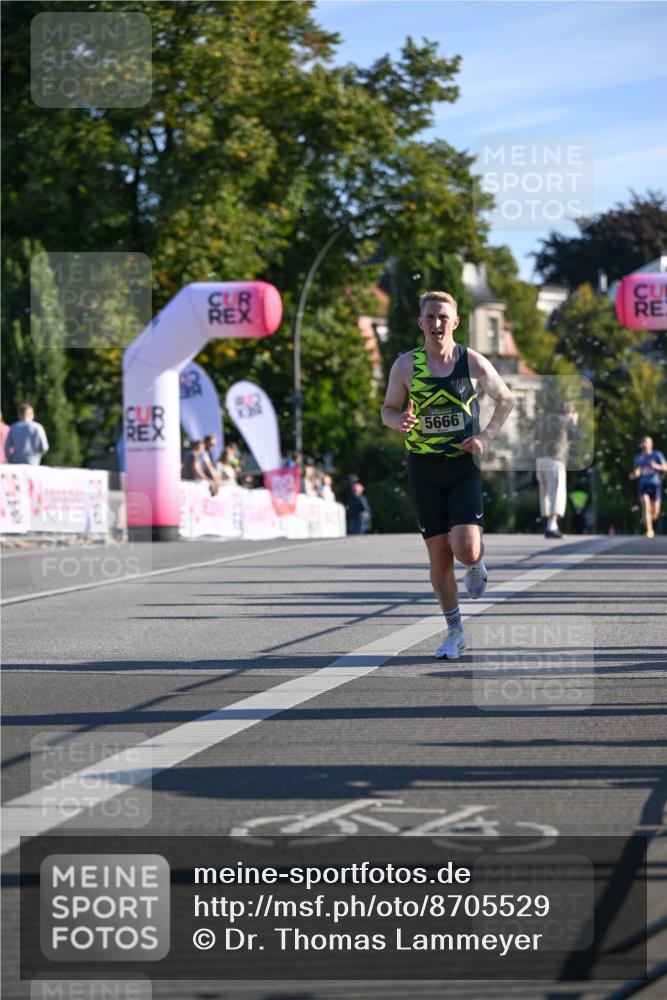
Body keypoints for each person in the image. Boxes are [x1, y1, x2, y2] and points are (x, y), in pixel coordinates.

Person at [381, 290, 514, 659]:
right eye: (430, 318)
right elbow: (387, 410)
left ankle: (476, 562)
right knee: (439, 557)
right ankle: (455, 631)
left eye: (444, 317)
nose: (437, 324)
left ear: (455, 322)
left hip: (461, 465)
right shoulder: (406, 365)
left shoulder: (470, 361)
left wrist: (486, 436)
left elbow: (506, 399)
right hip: (423, 468)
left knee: (466, 549)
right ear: (421, 323)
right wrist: (398, 420)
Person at [535, 399, 579, 538]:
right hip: (555, 460)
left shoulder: (545, 420)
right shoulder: (566, 421)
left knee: (545, 493)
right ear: (569, 412)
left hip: (540, 459)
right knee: (557, 492)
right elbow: (576, 436)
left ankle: (548, 523)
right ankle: (552, 526)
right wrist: (574, 421)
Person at [629, 435, 666, 538]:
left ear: (651, 444)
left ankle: (653, 516)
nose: (645, 444)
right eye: (643, 442)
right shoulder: (638, 457)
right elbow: (634, 473)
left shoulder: (657, 455)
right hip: (643, 484)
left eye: (647, 442)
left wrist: (656, 466)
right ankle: (649, 530)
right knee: (645, 504)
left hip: (655, 484)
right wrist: (635, 474)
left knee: (655, 511)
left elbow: (665, 468)